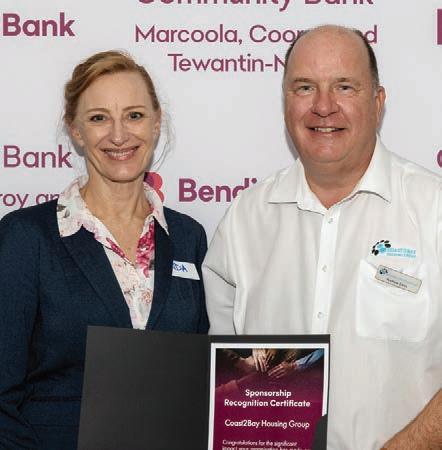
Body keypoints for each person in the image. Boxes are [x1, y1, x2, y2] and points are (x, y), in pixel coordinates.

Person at [203, 25, 441, 450]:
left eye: (344, 87)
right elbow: (223, 369)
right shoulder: (245, 219)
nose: (324, 106)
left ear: (378, 102)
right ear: (285, 102)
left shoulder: (434, 210)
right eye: (305, 87)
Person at [0, 50, 209, 449]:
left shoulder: (187, 237)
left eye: (134, 115)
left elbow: (199, 379)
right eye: (99, 118)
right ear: (76, 131)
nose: (118, 135)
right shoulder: (26, 238)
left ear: (156, 122)